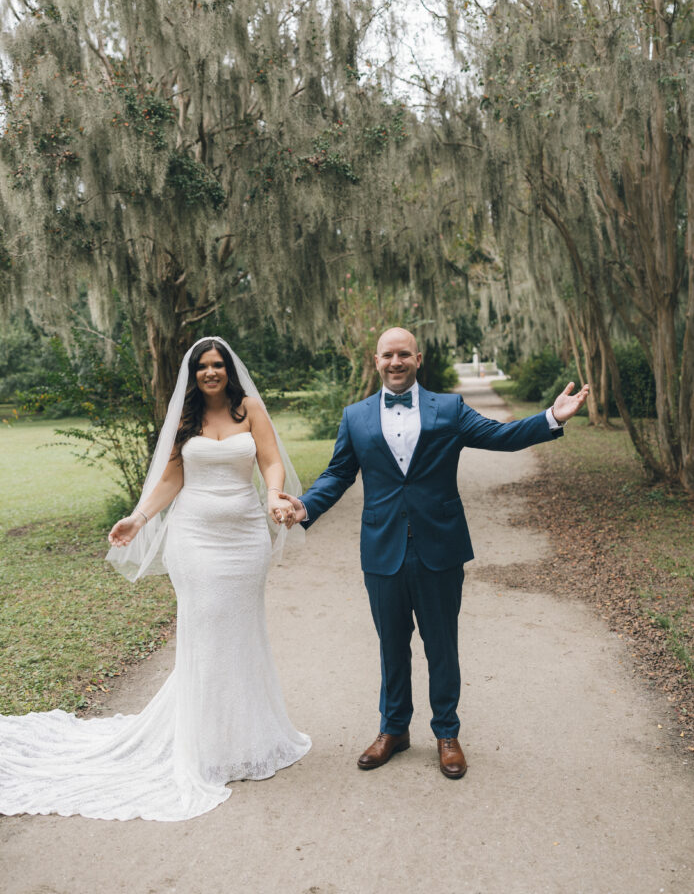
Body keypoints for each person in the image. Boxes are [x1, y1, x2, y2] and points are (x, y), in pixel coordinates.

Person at [0, 337, 310, 821]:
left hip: (246, 538)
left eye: (218, 365)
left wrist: (274, 496)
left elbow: (269, 459)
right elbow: (171, 478)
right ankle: (203, 743)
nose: (211, 373)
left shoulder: (248, 408)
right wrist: (139, 518)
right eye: (203, 367)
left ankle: (249, 736)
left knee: (241, 631)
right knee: (205, 629)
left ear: (229, 370)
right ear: (193, 374)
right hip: (196, 539)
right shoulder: (186, 418)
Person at [279, 327, 589, 780]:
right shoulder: (356, 416)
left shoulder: (449, 409)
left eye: (404, 354)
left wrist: (551, 418)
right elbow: (338, 473)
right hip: (381, 547)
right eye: (388, 355)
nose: (396, 361)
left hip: (439, 546)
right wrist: (305, 505)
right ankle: (393, 730)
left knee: (442, 644)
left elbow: (499, 436)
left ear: (418, 358)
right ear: (377, 360)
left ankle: (447, 732)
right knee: (391, 644)